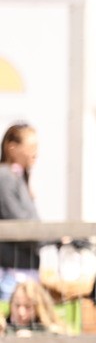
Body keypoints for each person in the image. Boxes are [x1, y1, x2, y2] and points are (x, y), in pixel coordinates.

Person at [0, 122, 42, 302]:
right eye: (31, 147)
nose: (35, 153)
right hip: (12, 272)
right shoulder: (6, 177)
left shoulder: (17, 177)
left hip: (22, 268)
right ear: (12, 148)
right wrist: (52, 237)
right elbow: (18, 221)